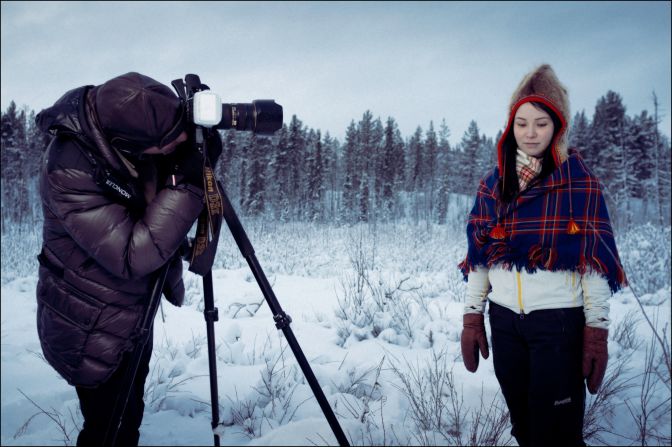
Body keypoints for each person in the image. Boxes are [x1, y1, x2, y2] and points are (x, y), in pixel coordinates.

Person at [35, 72, 220, 446]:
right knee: (108, 430)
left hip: (129, 311)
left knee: (129, 418)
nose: (172, 149)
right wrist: (187, 185)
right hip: (89, 323)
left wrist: (189, 159)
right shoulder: (69, 170)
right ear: (131, 142)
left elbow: (144, 210)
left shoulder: (118, 143)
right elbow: (131, 255)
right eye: (166, 145)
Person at [458, 64, 627, 446]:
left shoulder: (579, 184)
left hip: (558, 327)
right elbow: (480, 256)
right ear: (510, 125)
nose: (529, 133)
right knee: (524, 427)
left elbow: (595, 265)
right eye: (521, 123)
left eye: (540, 123)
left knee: (558, 435)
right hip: (504, 325)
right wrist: (472, 316)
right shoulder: (492, 185)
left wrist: (596, 331)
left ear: (558, 126)